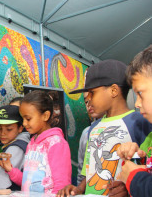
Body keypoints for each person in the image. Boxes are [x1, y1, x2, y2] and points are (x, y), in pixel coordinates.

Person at [57, 59, 152, 197]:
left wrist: (127, 187)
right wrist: (79, 189)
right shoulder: (93, 127)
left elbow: (146, 166)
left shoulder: (139, 122)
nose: (88, 99)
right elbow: (89, 169)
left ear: (113, 90)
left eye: (92, 93)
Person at [0, 90, 71, 195]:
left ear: (45, 116)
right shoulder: (32, 143)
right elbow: (28, 183)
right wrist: (10, 169)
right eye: (23, 119)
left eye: (28, 118)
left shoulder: (56, 143)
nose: (24, 123)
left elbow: (61, 185)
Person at [115, 44, 152, 197]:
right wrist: (138, 157)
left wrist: (134, 178)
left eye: (140, 93)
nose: (136, 103)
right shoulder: (149, 140)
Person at [77, 92, 105, 185]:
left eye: (92, 98)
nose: (89, 105)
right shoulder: (86, 133)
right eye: (86, 101)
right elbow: (82, 171)